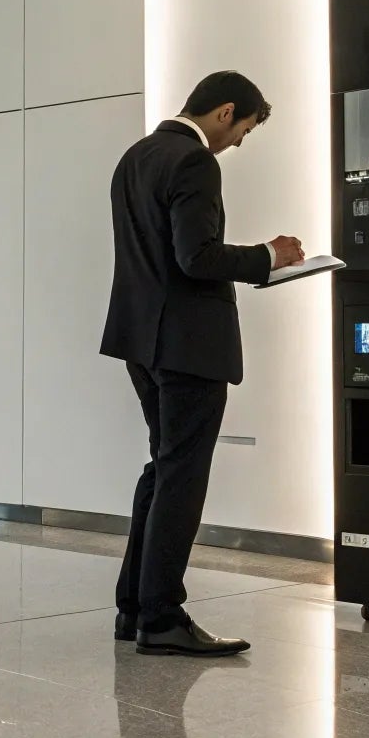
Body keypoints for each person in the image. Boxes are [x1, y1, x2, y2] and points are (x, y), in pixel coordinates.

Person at [100, 71, 302, 657]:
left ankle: (134, 606)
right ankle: (162, 616)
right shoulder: (193, 161)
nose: (237, 143)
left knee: (162, 467)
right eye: (242, 130)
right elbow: (196, 257)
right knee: (182, 475)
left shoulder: (135, 157)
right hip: (188, 345)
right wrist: (271, 256)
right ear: (225, 112)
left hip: (140, 340)